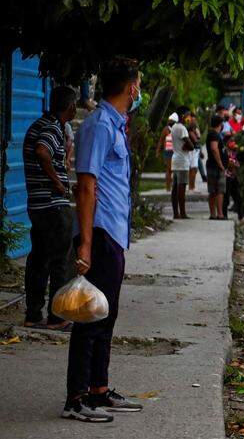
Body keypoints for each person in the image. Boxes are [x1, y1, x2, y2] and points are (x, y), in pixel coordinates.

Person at [66, 58, 145, 422]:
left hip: (113, 232)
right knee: (90, 316)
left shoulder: (115, 124)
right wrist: (84, 243)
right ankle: (76, 399)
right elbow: (86, 185)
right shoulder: (98, 125)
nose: (140, 91)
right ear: (131, 87)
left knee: (106, 313)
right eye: (139, 84)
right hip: (98, 232)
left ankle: (98, 390)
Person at [22, 85, 78, 332]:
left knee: (39, 259)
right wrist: (58, 182)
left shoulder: (36, 125)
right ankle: (58, 317)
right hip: (53, 206)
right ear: (70, 107)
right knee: (61, 261)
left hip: (37, 205)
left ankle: (33, 314)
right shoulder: (53, 128)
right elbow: (42, 151)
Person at [169, 108, 191, 219]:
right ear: (183, 116)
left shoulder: (173, 127)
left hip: (175, 159)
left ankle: (175, 213)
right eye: (188, 115)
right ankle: (183, 213)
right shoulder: (182, 128)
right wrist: (189, 144)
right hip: (182, 161)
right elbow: (191, 145)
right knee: (181, 188)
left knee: (175, 188)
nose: (189, 117)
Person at [206, 115, 227, 220]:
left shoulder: (214, 134)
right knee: (219, 191)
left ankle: (213, 214)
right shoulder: (214, 135)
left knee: (213, 191)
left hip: (212, 166)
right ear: (220, 124)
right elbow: (214, 149)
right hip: (216, 167)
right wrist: (221, 165)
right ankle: (219, 214)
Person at [157, 113, 175, 192]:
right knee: (169, 169)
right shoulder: (166, 129)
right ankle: (168, 187)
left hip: (175, 152)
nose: (170, 121)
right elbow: (161, 141)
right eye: (169, 120)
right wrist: (158, 151)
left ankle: (172, 186)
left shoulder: (176, 129)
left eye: (171, 120)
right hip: (167, 151)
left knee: (173, 170)